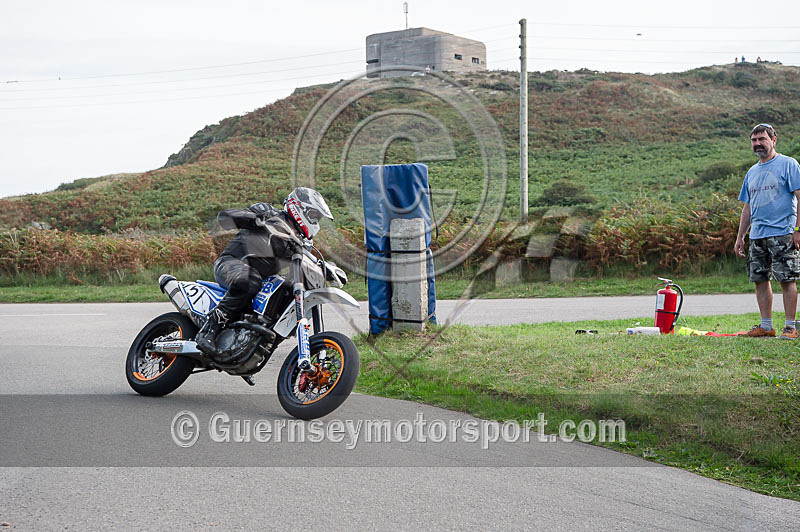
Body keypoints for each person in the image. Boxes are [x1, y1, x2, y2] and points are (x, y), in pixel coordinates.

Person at [196, 187, 333, 354]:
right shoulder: (270, 214)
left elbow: (305, 266)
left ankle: (249, 346)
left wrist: (327, 269)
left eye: (317, 218)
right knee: (250, 281)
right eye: (313, 216)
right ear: (299, 208)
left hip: (259, 280)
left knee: (285, 298)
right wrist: (253, 218)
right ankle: (209, 329)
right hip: (230, 264)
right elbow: (224, 218)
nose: (315, 222)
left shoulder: (300, 244)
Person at [734, 124, 800, 338]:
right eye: (754, 140)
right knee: (760, 279)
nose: (758, 144)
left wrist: (798, 229)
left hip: (783, 232)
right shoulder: (752, 172)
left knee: (786, 279)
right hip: (757, 235)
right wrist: (740, 236)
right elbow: (748, 207)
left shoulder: (788, 164)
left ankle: (790, 327)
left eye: (762, 139)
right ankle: (766, 326)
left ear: (774, 140)